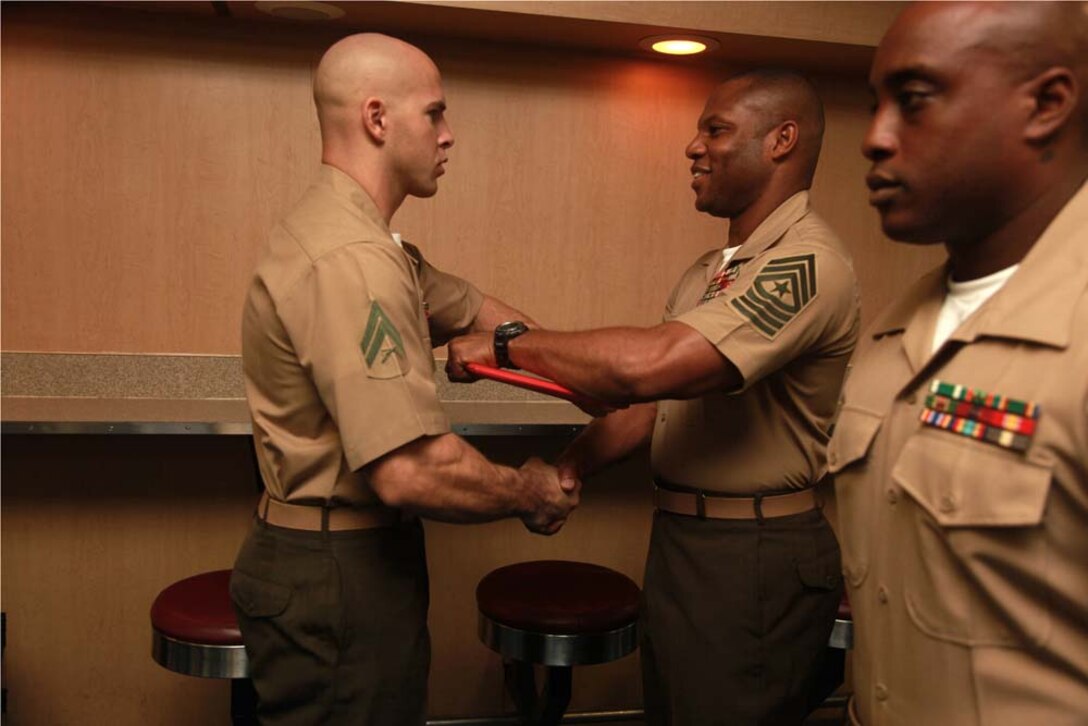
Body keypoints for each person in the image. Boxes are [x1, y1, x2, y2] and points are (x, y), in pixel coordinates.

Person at [447, 69, 860, 725]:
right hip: (684, 542)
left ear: (783, 140)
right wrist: (572, 467)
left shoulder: (806, 266)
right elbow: (650, 405)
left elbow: (648, 365)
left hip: (752, 552)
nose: (693, 147)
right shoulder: (712, 271)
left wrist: (506, 345)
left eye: (715, 129)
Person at [232, 33, 579, 725]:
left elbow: (478, 310)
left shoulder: (374, 243)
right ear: (377, 119)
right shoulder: (352, 257)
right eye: (436, 114)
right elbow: (412, 470)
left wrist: (572, 371)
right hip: (336, 571)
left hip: (349, 556)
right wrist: (529, 489)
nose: (450, 137)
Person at [828, 2, 1088, 724]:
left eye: (913, 102)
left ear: (1047, 103)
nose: (874, 139)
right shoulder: (895, 333)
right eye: (874, 105)